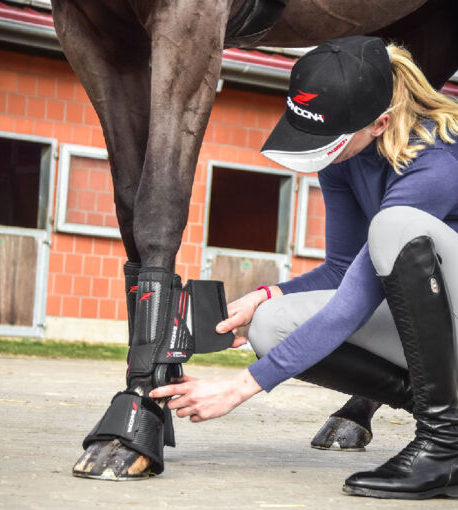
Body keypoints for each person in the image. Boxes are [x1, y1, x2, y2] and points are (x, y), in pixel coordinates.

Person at [150, 35, 458, 500]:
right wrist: (267, 297)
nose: (319, 149)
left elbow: (353, 302)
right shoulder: (345, 153)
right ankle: (442, 414)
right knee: (271, 325)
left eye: (327, 139)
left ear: (380, 123)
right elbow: (341, 270)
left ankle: (445, 447)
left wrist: (238, 388)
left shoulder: (435, 164)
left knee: (393, 225)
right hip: (436, 322)